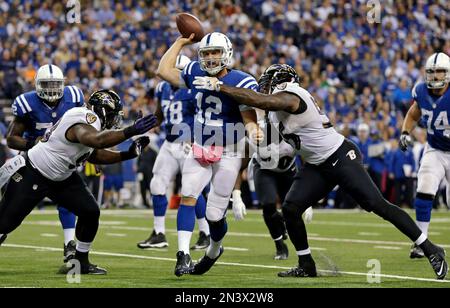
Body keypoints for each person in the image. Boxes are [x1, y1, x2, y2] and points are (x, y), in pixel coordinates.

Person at [192, 63, 448, 280]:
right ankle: (306, 264)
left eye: (268, 82)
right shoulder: (276, 112)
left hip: (339, 155)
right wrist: (253, 133)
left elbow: (263, 100)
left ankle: (430, 248)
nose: (263, 86)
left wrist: (221, 87)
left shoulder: (293, 94)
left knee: (377, 204)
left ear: (282, 82)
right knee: (291, 209)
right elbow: (263, 132)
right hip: (317, 164)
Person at [0, 89, 157, 274]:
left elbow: (94, 154)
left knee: (90, 212)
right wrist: (130, 131)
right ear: (103, 110)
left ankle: (80, 261)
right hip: (34, 172)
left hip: (62, 177)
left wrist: (127, 154)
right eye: (114, 115)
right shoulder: (84, 117)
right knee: (5, 224)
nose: (115, 120)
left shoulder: (90, 122)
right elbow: (95, 140)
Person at [156, 33, 263, 276]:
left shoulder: (241, 80)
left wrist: (253, 128)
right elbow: (164, 71)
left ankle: (214, 249)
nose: (211, 57)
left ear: (227, 53)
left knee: (215, 215)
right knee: (188, 195)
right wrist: (180, 42)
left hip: (229, 151)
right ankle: (182, 254)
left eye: (215, 52)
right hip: (201, 146)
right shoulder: (194, 72)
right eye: (206, 53)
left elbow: (248, 115)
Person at [6, 64, 83, 262]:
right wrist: (33, 143)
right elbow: (12, 138)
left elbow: (86, 131)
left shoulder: (74, 97)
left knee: (68, 204)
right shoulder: (27, 103)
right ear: (37, 85)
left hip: (62, 161)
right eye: (47, 84)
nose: (51, 88)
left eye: (55, 84)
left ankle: (70, 245)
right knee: (13, 209)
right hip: (34, 163)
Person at [137, 55, 210, 250]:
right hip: (169, 143)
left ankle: (205, 233)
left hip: (187, 142)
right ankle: (159, 233)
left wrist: (197, 139)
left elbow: (203, 115)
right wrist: (147, 125)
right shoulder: (162, 88)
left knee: (192, 189)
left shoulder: (193, 89)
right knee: (157, 184)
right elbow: (160, 115)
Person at [399, 52, 450, 259]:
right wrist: (404, 132)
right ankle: (421, 243)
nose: (435, 76)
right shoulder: (420, 90)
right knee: (424, 187)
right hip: (435, 149)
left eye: (440, 71)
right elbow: (413, 113)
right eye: (431, 71)